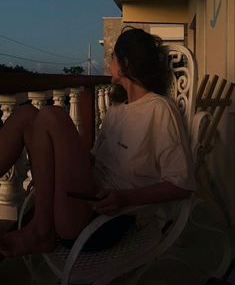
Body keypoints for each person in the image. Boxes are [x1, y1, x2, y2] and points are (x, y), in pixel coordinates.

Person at [0, 27, 194, 257]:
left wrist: (124, 198)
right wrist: (46, 173)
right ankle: (42, 227)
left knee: (53, 115)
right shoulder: (116, 109)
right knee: (25, 115)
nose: (109, 63)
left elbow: (181, 184)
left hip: (106, 219)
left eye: (112, 57)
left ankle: (42, 230)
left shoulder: (160, 110)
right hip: (81, 199)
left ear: (126, 65)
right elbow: (92, 160)